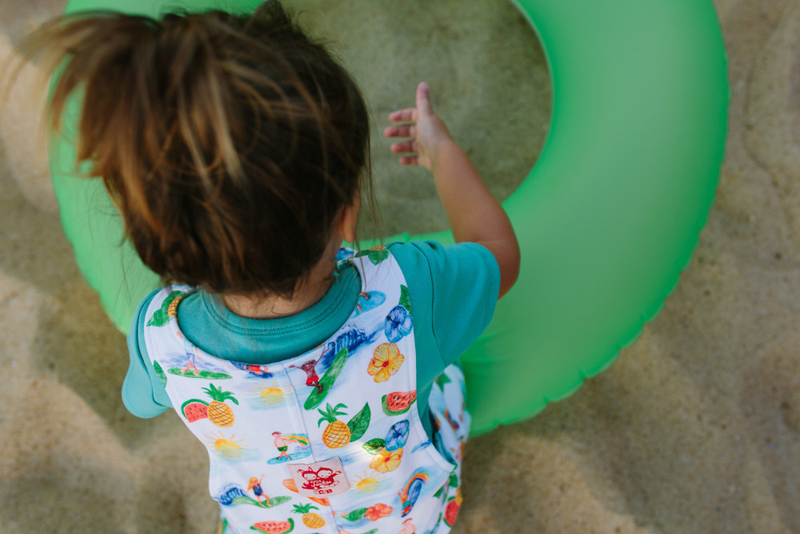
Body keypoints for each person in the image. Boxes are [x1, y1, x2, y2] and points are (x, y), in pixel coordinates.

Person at [18, 1, 519, 532]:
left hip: (273, 524)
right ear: (346, 204)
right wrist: (440, 151)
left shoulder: (160, 334)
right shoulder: (412, 291)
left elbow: (140, 402)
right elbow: (497, 252)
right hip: (405, 517)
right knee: (444, 377)